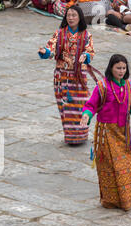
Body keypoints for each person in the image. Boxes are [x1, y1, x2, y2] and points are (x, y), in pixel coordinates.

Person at [80, 54, 131, 211]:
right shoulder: (103, 87)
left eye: (123, 68)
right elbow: (91, 105)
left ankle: (125, 198)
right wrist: (86, 115)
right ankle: (111, 200)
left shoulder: (127, 85)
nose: (121, 71)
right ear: (111, 68)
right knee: (111, 167)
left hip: (123, 133)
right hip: (107, 133)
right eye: (118, 68)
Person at [38, 5, 95, 145]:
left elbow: (90, 51)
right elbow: (51, 49)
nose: (71, 18)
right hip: (61, 76)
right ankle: (70, 136)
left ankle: (81, 134)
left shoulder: (86, 35)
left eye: (74, 15)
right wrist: (44, 52)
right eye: (68, 15)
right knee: (65, 106)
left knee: (80, 105)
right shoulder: (59, 33)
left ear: (80, 17)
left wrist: (85, 56)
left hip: (78, 76)